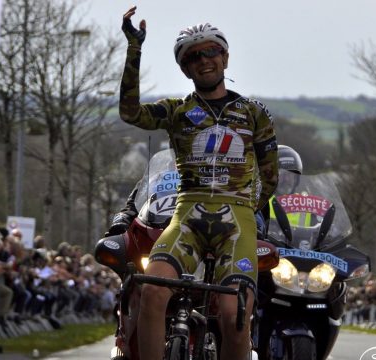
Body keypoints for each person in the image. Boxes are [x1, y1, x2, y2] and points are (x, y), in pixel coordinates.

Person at [119, 6, 278, 359]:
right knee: (152, 291)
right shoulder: (176, 110)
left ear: (225, 56)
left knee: (233, 312)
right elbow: (130, 113)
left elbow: (270, 177)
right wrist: (134, 49)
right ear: (184, 67)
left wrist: (250, 211)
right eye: (193, 56)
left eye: (211, 51)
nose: (204, 60)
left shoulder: (254, 113)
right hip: (187, 214)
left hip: (237, 220)